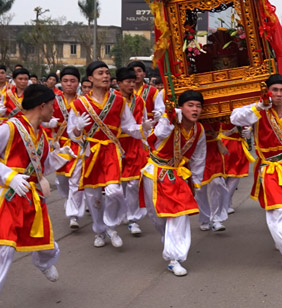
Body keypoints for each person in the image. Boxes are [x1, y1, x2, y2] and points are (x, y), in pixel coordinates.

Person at [0, 84, 72, 308]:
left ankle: (44, 262)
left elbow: (42, 168)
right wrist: (8, 176)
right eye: (52, 105)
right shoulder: (8, 129)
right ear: (42, 105)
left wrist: (61, 157)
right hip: (9, 197)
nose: (54, 111)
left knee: (46, 245)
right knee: (1, 249)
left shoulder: (43, 136)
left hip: (32, 196)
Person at [231, 74, 282, 269]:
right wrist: (258, 107)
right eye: (274, 90)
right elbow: (235, 117)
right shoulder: (258, 110)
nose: (278, 94)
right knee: (277, 210)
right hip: (269, 168)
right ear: (267, 91)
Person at [68, 61, 141, 249]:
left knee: (114, 191)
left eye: (107, 73)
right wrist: (78, 128)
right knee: (93, 197)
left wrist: (144, 129)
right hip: (91, 152)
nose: (105, 76)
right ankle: (99, 230)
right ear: (91, 78)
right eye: (100, 73)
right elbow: (71, 134)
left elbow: (129, 126)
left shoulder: (118, 100)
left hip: (111, 150)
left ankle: (111, 226)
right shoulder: (79, 103)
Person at [142, 90, 206, 276]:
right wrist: (169, 117)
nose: (195, 109)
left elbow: (199, 157)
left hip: (178, 174)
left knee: (179, 213)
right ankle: (168, 239)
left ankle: (175, 258)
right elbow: (159, 134)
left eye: (198, 106)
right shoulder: (169, 121)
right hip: (155, 172)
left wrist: (197, 180)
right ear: (181, 107)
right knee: (157, 216)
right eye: (190, 105)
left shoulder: (199, 130)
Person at [114, 67, 148, 236]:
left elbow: (144, 120)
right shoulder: (112, 99)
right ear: (118, 83)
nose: (131, 85)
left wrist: (146, 137)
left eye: (133, 82)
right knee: (117, 185)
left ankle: (133, 219)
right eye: (127, 82)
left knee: (134, 183)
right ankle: (120, 211)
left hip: (134, 144)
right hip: (115, 145)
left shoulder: (140, 100)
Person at [51, 67, 83, 229]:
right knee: (61, 179)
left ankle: (74, 215)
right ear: (60, 82)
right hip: (58, 145)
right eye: (65, 81)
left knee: (75, 180)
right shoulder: (53, 99)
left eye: (73, 81)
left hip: (77, 144)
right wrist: (47, 123)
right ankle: (68, 200)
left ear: (78, 83)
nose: (69, 84)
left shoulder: (83, 102)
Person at [195, 122, 230, 232]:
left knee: (217, 182)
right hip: (196, 153)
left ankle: (217, 219)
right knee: (200, 188)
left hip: (213, 151)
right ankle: (204, 218)